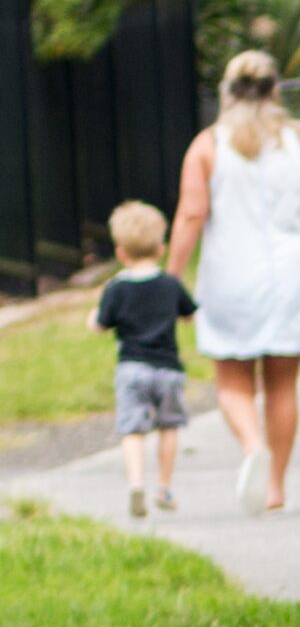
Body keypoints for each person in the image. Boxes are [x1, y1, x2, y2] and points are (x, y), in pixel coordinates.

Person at [166, 49, 300, 515]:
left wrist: (171, 278)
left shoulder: (208, 145)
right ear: (276, 89)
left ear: (227, 92)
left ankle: (252, 445)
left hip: (230, 273)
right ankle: (274, 487)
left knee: (231, 378)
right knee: (284, 384)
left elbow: (191, 214)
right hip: (294, 273)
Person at [91, 200, 196, 518]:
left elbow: (100, 324)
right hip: (168, 369)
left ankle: (136, 483)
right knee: (169, 427)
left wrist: (92, 318)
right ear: (161, 248)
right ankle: (164, 487)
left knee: (133, 429)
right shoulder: (169, 284)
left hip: (132, 368)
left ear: (121, 252)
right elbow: (190, 315)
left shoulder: (117, 288)